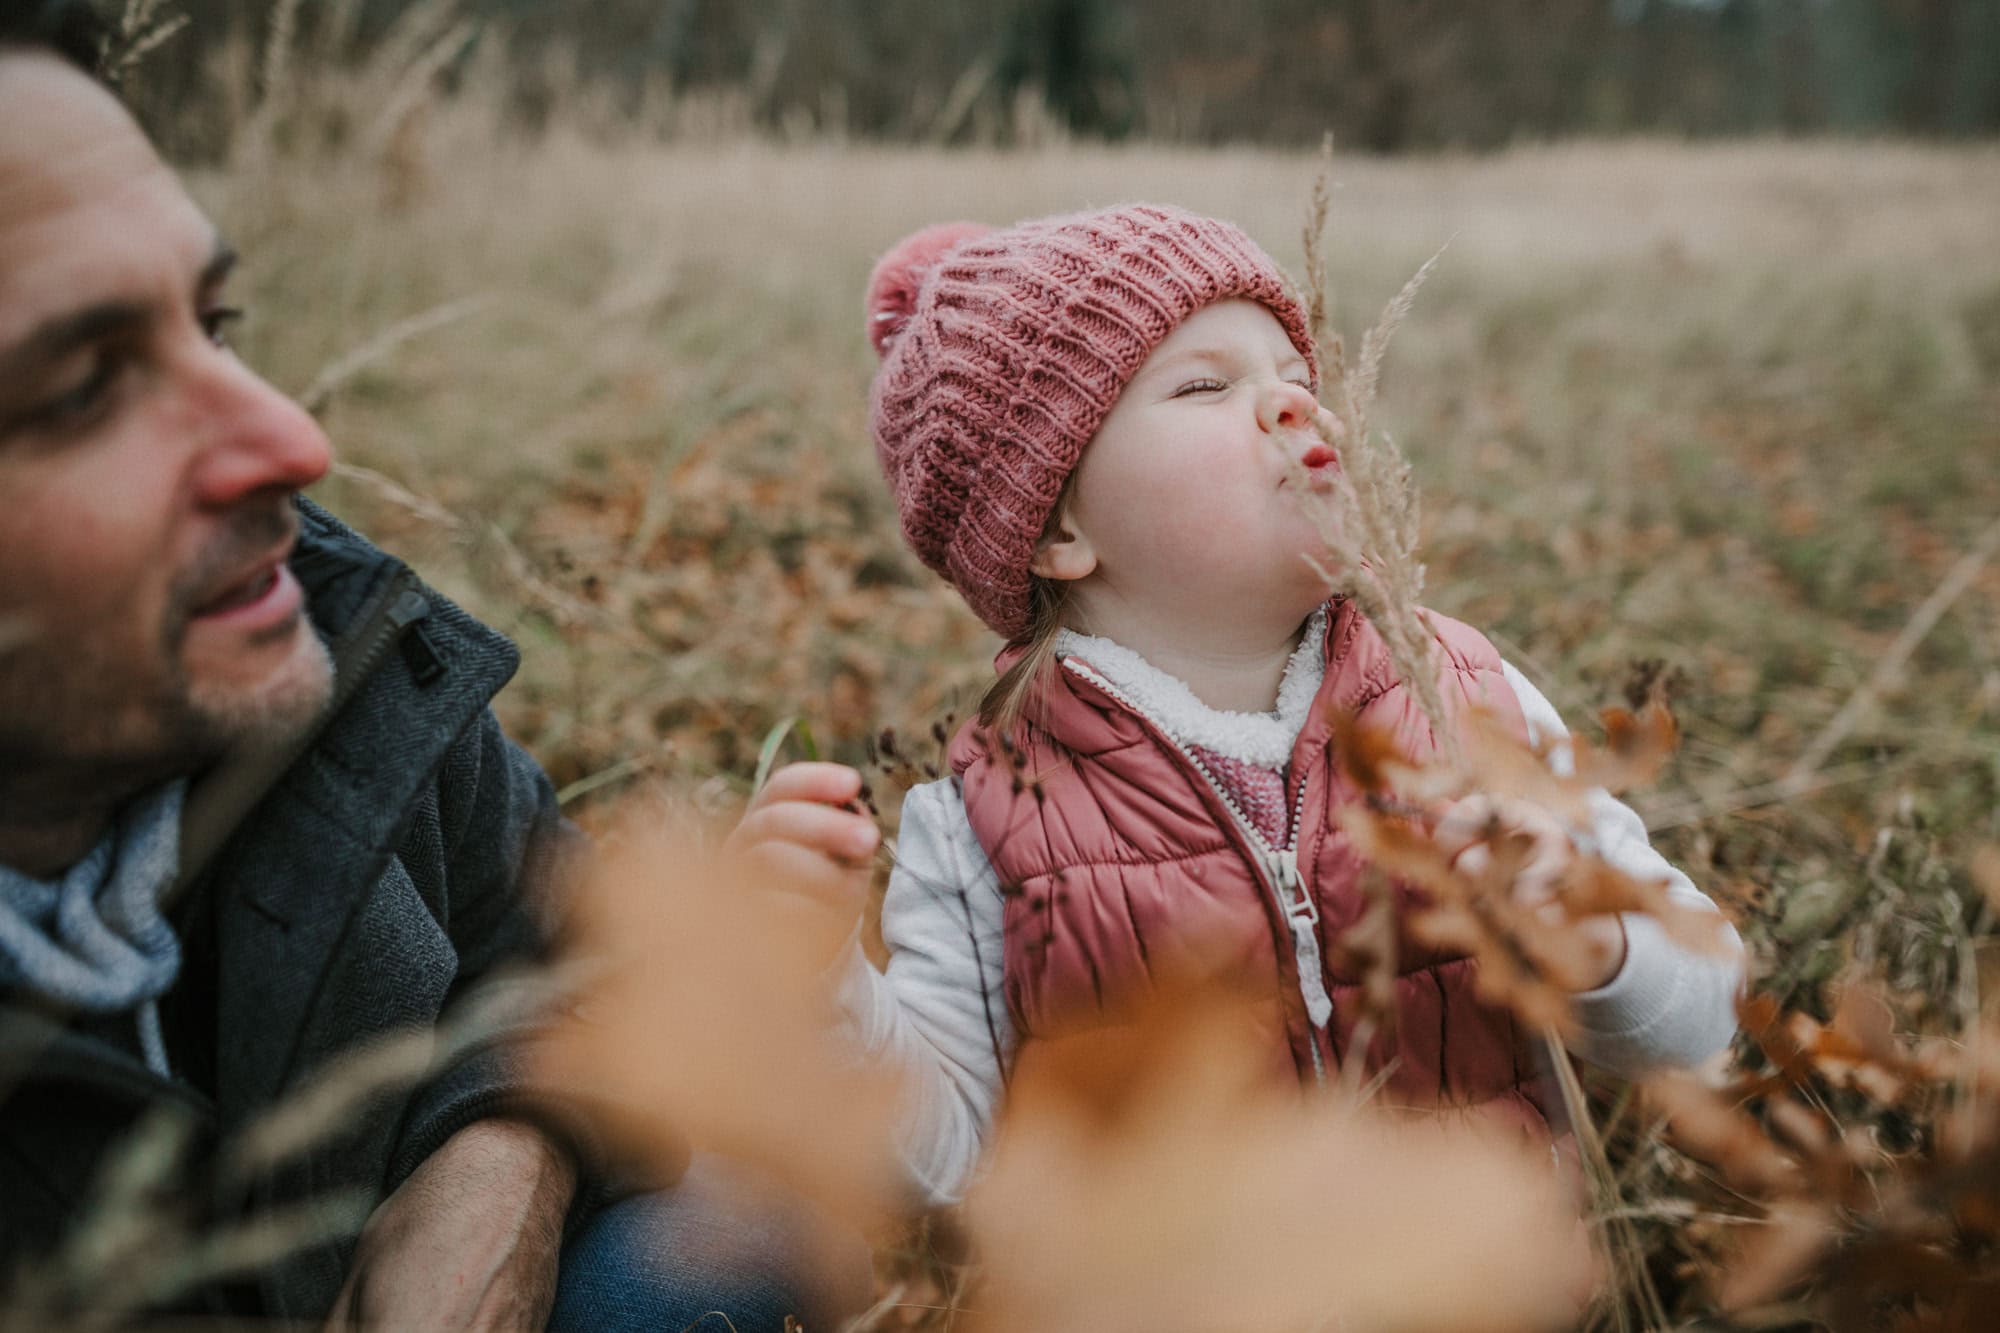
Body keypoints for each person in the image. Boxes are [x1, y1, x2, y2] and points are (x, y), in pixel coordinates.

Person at [0, 5, 870, 1327]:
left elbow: (569, 953)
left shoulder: (329, 644)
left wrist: (509, 1151)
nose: (292, 438)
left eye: (216, 323)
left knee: (715, 1253)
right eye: (81, 390)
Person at [822, 205, 1746, 1205]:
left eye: (1296, 380)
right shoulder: (981, 825)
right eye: (1204, 385)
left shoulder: (1461, 701)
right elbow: (943, 1159)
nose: (1293, 409)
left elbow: (1699, 1019)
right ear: (1055, 529)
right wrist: (815, 986)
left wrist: (1595, 938)